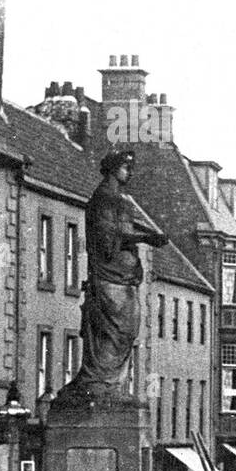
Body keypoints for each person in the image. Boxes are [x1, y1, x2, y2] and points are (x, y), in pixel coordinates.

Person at [56, 150, 168, 405]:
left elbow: (123, 232)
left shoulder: (119, 200)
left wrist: (145, 235)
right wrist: (147, 238)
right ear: (112, 169)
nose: (130, 172)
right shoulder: (104, 199)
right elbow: (109, 238)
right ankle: (101, 384)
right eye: (126, 168)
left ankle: (111, 384)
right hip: (109, 278)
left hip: (123, 279)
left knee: (126, 331)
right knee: (115, 331)